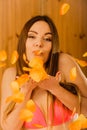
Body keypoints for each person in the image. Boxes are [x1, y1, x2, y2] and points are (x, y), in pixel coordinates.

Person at [0, 15, 87, 130]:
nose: (39, 43)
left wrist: (56, 89)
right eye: (32, 36)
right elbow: (8, 127)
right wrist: (26, 92)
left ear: (53, 45)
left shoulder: (64, 62)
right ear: (24, 42)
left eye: (47, 39)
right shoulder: (11, 74)